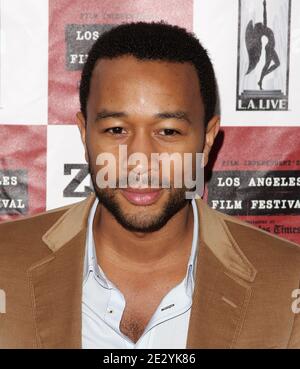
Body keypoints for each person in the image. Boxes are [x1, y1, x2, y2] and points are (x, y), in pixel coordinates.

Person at [0, 21, 299, 349]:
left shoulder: (288, 284)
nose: (140, 159)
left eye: (168, 131)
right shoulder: (5, 265)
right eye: (116, 130)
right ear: (85, 134)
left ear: (207, 139)